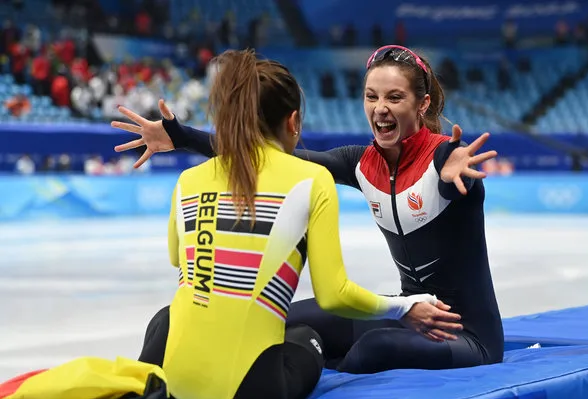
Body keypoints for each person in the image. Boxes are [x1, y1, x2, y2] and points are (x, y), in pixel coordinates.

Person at [111, 45, 503, 375]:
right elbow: (270, 153)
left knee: (375, 347)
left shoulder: (445, 162)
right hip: (411, 314)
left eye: (394, 97)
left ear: (423, 104)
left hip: (466, 335)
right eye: (371, 96)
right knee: (283, 320)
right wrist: (180, 136)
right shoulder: (359, 162)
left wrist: (452, 165)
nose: (380, 108)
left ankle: (314, 382)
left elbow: (451, 173)